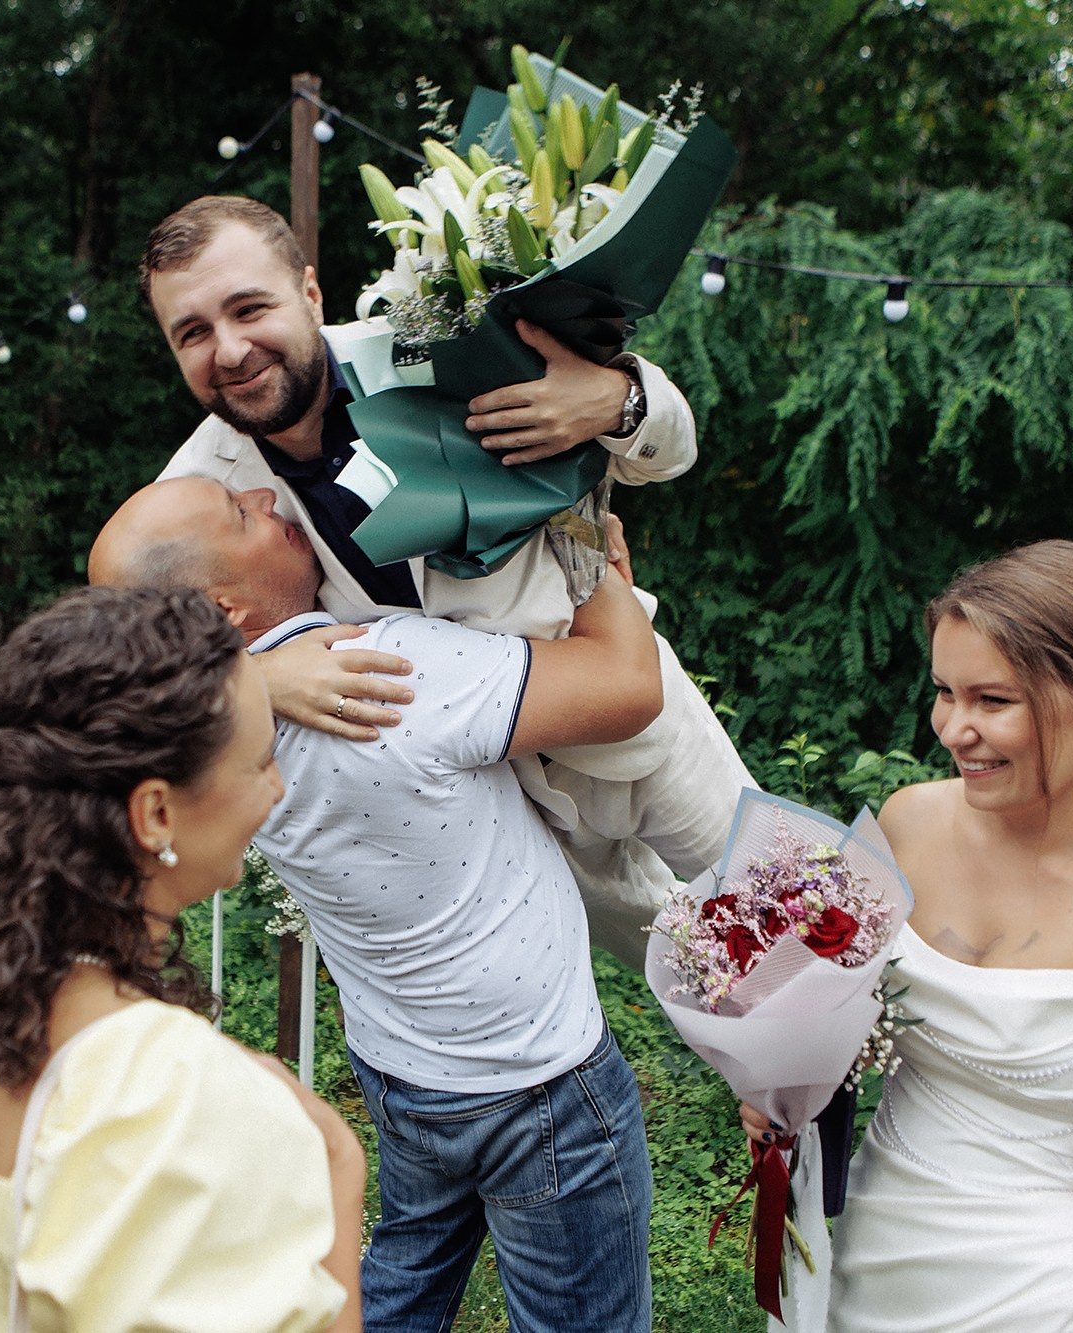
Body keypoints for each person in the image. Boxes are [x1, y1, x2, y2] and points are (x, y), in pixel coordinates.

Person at [91, 477, 663, 1332]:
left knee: (406, 1271)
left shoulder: (207, 742)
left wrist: (241, 671)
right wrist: (597, 559)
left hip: (402, 1068)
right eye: (241, 512)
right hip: (538, 1084)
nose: (264, 492)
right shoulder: (389, 667)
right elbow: (626, 686)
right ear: (226, 608)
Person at [140, 195, 755, 963]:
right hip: (501, 799)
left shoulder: (430, 341)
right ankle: (801, 1080)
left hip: (634, 710)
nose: (228, 350)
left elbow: (671, 450)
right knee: (700, 974)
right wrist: (254, 678)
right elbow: (120, 679)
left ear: (308, 292)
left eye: (248, 308)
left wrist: (614, 398)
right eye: (192, 332)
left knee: (803, 901)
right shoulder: (202, 488)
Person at [742, 540, 1073, 1333]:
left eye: (993, 701)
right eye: (945, 692)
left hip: (1039, 1298)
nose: (953, 728)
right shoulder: (909, 821)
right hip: (863, 1260)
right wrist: (771, 1082)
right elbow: (808, 1002)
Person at [0, 585, 363, 1332]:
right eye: (260, 763)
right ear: (155, 812)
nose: (277, 789)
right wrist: (340, 1170)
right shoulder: (163, 1095)